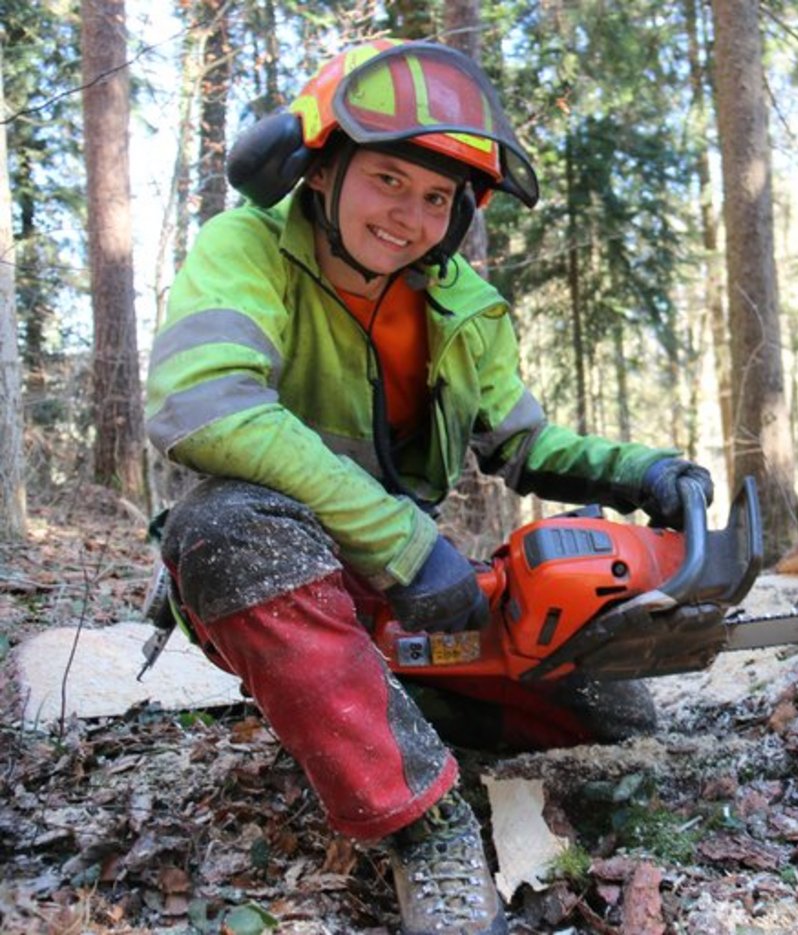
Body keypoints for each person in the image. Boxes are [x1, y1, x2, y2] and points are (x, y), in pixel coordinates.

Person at [144, 38, 712, 935]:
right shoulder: (246, 247)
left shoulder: (461, 307)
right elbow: (202, 404)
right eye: (389, 181)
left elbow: (524, 442)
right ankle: (427, 824)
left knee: (609, 713)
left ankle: (395, 711)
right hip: (287, 569)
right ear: (323, 171)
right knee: (225, 530)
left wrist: (642, 472)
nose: (409, 216)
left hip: (411, 583)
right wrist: (405, 542)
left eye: (437, 197)